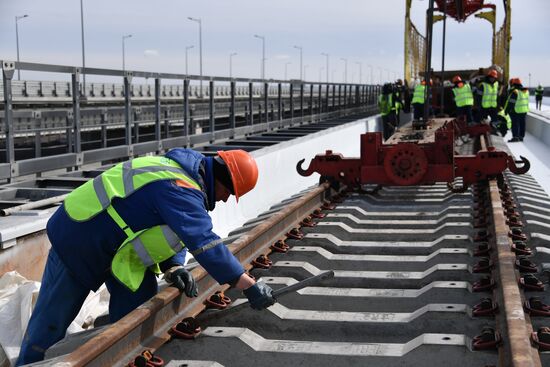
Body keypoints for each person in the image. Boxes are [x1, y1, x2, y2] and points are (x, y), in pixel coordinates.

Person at [16, 148, 275, 365]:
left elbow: (174, 229)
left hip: (118, 250)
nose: (226, 199)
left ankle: (115, 351)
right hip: (78, 239)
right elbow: (204, 241)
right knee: (50, 325)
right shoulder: (179, 186)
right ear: (220, 180)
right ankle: (27, 363)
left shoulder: (184, 177)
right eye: (229, 193)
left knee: (137, 315)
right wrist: (246, 283)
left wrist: (174, 266)